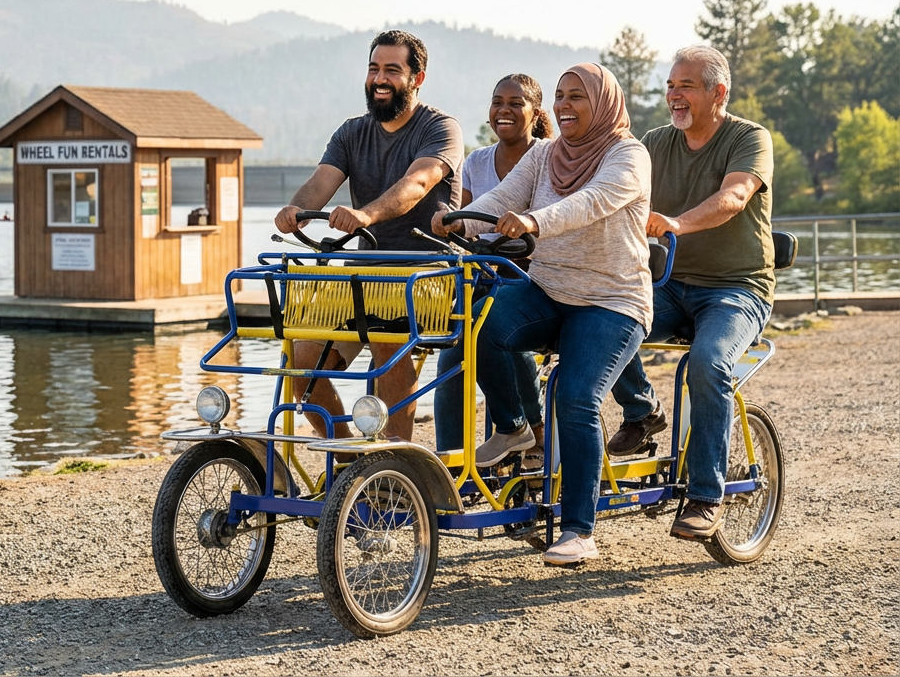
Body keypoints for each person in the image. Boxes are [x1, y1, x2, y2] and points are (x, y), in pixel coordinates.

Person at [432, 63, 651, 566]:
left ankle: (578, 529)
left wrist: (535, 219)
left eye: (578, 97)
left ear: (605, 104)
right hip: (550, 288)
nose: (565, 106)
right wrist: (461, 219)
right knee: (479, 323)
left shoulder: (628, 155)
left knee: (575, 396)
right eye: (560, 96)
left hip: (613, 300)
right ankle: (513, 426)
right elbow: (502, 197)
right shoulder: (546, 154)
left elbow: (593, 202)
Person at [605, 45, 775, 541]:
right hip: (668, 285)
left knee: (708, 365)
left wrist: (677, 222)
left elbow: (735, 196)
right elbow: (612, 186)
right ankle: (642, 411)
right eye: (670, 86)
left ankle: (707, 496)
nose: (674, 95)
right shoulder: (656, 142)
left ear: (718, 93)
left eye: (687, 86)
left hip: (736, 288)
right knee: (599, 321)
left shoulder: (748, 138)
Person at [274, 29, 464, 445]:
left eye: (392, 70)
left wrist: (365, 214)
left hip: (427, 273)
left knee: (384, 332)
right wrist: (295, 211)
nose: (380, 78)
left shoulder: (441, 128)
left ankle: (399, 455)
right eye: (374, 68)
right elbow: (319, 184)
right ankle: (345, 454)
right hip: (366, 272)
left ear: (417, 78)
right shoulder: (351, 132)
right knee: (300, 359)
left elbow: (418, 182)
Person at [432, 74, 553, 456]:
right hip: (486, 270)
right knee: (451, 355)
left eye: (516, 103)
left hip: (533, 273)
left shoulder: (551, 158)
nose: (504, 110)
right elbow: (468, 219)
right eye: (497, 102)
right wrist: (450, 222)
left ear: (535, 113)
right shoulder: (477, 161)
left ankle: (530, 425)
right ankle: (449, 464)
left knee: (497, 324)